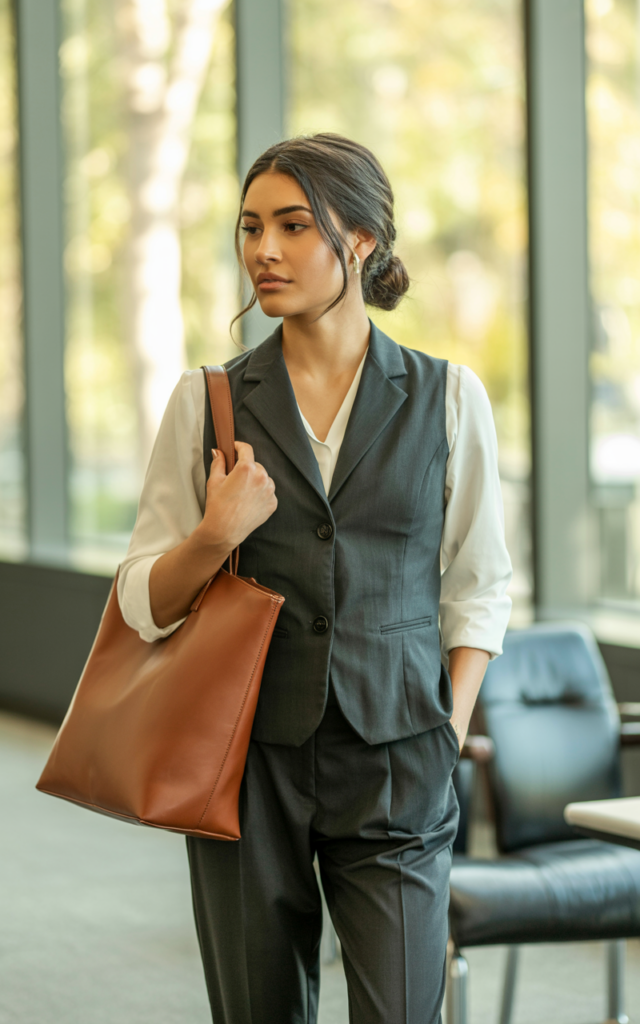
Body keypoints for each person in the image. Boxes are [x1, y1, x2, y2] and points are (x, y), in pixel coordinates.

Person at [118, 133, 512, 1024]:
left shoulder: (449, 398)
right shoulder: (207, 401)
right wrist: (215, 533)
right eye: (251, 227)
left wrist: (445, 728)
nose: (265, 250)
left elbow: (479, 586)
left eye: (295, 226)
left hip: (399, 758)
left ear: (363, 241)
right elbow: (142, 600)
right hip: (242, 762)